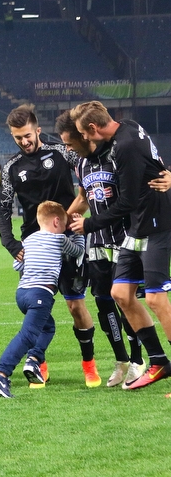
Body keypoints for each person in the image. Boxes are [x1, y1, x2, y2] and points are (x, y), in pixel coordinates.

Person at [70, 101, 171, 391]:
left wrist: (89, 224)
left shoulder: (124, 146)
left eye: (83, 133)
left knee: (155, 298)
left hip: (155, 221)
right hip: (138, 224)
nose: (84, 139)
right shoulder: (129, 126)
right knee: (121, 293)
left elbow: (125, 201)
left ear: (93, 128)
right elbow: (154, 164)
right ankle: (159, 361)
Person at [0, 105, 99, 388]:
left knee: (76, 306)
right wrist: (10, 243)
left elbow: (90, 176)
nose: (24, 142)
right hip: (34, 246)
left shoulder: (63, 153)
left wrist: (79, 214)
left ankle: (89, 365)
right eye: (18, 138)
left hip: (67, 240)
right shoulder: (11, 168)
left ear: (38, 130)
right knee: (35, 311)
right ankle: (38, 366)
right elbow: (3, 209)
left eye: (27, 135)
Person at [56, 110, 147, 387]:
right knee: (104, 302)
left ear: (85, 135)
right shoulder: (81, 164)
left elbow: (131, 196)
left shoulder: (116, 155)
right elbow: (84, 198)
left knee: (125, 301)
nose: (70, 149)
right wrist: (59, 223)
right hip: (95, 243)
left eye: (72, 143)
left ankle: (137, 360)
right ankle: (121, 360)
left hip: (123, 239)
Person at [0, 201, 85, 398]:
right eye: (63, 225)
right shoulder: (60, 240)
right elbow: (78, 252)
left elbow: (17, 266)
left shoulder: (28, 241)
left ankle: (33, 360)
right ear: (56, 221)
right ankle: (0, 374)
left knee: (48, 327)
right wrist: (79, 234)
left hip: (22, 293)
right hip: (41, 293)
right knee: (28, 335)